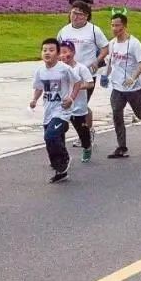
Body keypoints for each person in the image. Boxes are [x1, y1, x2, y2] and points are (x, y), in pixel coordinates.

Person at [105, 13, 141, 159]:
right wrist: (106, 76)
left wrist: (133, 77)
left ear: (124, 26)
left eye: (117, 25)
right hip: (117, 87)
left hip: (134, 88)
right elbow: (111, 62)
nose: (114, 28)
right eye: (112, 25)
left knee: (140, 113)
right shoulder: (112, 43)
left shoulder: (134, 43)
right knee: (117, 114)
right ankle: (122, 146)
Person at [30, 38, 82, 183]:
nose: (47, 53)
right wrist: (34, 100)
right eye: (45, 50)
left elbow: (78, 82)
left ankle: (64, 158)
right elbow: (39, 87)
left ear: (58, 53)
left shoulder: (64, 69)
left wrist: (71, 98)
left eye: (51, 50)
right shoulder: (40, 71)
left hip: (62, 112)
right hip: (48, 112)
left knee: (50, 136)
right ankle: (60, 170)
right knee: (52, 140)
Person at [57, 1, 108, 140]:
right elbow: (58, 50)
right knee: (72, 104)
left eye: (80, 14)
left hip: (86, 74)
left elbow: (105, 48)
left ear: (86, 16)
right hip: (67, 74)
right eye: (74, 13)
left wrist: (97, 61)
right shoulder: (64, 30)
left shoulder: (93, 30)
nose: (76, 17)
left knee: (83, 105)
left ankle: (86, 133)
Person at [58, 40, 96, 164]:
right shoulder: (59, 68)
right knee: (58, 131)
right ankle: (60, 155)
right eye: (61, 53)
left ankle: (87, 147)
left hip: (78, 107)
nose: (63, 56)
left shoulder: (81, 68)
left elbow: (90, 83)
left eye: (66, 52)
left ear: (73, 52)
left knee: (82, 132)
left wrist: (78, 87)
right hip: (62, 107)